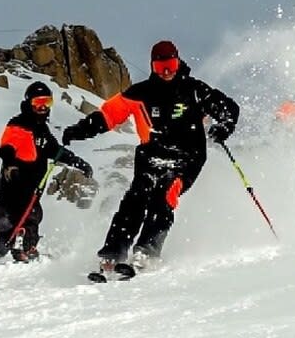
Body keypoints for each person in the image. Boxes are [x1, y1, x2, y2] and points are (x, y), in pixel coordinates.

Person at [62, 40, 239, 270]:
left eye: (171, 65)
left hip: (188, 157)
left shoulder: (194, 90)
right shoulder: (141, 93)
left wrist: (224, 126)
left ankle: (147, 250)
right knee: (135, 198)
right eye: (160, 67)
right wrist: (79, 130)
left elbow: (228, 108)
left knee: (166, 194)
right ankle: (113, 252)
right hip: (150, 156)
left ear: (178, 63)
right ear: (152, 66)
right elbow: (107, 116)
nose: (166, 72)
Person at [0, 81, 93, 262]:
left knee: (22, 216)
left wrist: (79, 163)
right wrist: (10, 164)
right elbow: (6, 147)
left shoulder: (43, 130)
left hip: (33, 183)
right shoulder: (18, 124)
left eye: (47, 103)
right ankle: (22, 246)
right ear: (28, 103)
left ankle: (5, 248)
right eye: (37, 103)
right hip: (16, 180)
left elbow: (56, 151)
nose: (42, 108)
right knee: (29, 214)